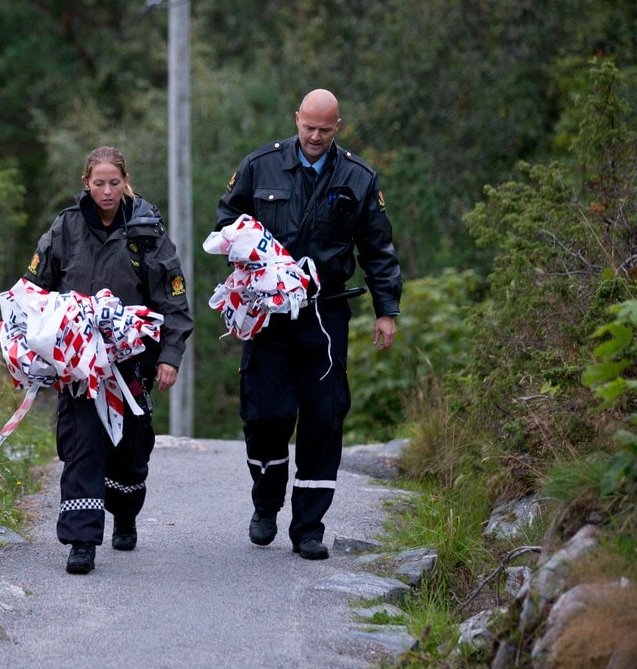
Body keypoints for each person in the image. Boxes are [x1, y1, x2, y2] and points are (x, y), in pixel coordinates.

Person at [214, 89, 402, 560]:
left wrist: (386, 310)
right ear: (296, 119)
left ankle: (309, 528)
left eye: (325, 130)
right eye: (308, 127)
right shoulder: (261, 166)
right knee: (266, 414)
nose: (315, 137)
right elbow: (227, 222)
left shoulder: (358, 178)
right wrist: (250, 260)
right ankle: (265, 503)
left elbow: (377, 249)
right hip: (270, 313)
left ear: (337, 127)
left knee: (324, 415)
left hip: (325, 312)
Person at [23, 146, 194, 574]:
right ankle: (82, 541)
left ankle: (126, 511)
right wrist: (25, 345)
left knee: (131, 452)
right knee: (82, 445)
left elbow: (174, 299)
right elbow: (33, 290)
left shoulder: (147, 231)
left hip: (132, 365)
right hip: (79, 365)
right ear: (86, 182)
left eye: (114, 182)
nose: (106, 191)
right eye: (98, 183)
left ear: (125, 181)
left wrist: (170, 356)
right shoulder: (66, 228)